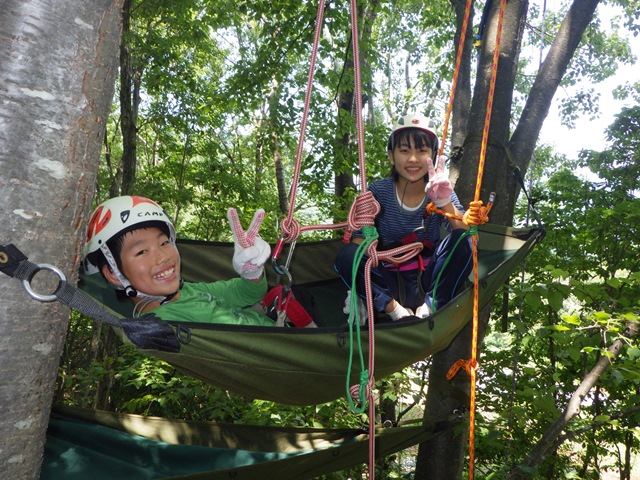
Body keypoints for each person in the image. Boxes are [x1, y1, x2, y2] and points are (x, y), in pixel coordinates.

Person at [335, 113, 472, 321]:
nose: (413, 159)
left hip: (426, 278)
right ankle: (395, 311)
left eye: (422, 150)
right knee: (347, 256)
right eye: (404, 151)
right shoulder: (378, 192)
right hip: (387, 281)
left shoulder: (440, 188)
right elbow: (358, 245)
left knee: (465, 241)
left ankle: (430, 307)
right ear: (391, 155)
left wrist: (444, 201)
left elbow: (465, 237)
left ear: (433, 155)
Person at [83, 195, 294, 326]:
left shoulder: (188, 292)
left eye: (165, 243)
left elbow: (247, 293)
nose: (163, 256)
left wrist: (252, 273)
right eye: (141, 252)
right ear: (113, 273)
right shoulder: (166, 323)